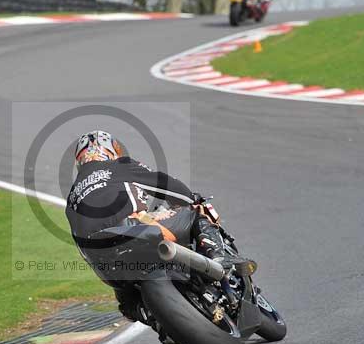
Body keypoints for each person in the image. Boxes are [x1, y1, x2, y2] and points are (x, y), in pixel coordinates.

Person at [64, 130, 254, 326]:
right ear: (110, 151)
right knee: (194, 213)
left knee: (127, 304)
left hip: (103, 260)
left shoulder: (71, 198)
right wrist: (191, 198)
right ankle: (218, 256)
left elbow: (80, 244)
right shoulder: (118, 165)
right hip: (133, 229)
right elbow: (164, 185)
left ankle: (153, 320)